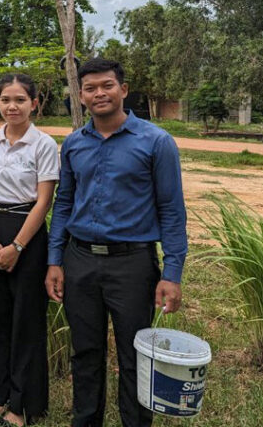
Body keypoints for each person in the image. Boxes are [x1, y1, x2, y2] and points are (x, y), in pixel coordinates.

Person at [45, 58, 187, 427]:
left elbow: (171, 210)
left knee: (135, 354)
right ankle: (86, 420)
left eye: (107, 85)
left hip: (132, 265)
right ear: (80, 96)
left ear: (123, 90)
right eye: (90, 88)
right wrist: (55, 260)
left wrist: (172, 273)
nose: (99, 93)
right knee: (86, 352)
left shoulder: (156, 142)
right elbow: (64, 202)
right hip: (80, 261)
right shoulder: (74, 143)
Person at [0, 75, 59, 425]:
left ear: (34, 103)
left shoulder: (44, 144)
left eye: (20, 99)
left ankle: (23, 404)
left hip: (28, 234)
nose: (13, 106)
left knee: (26, 319)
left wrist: (17, 246)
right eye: (6, 99)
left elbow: (44, 201)